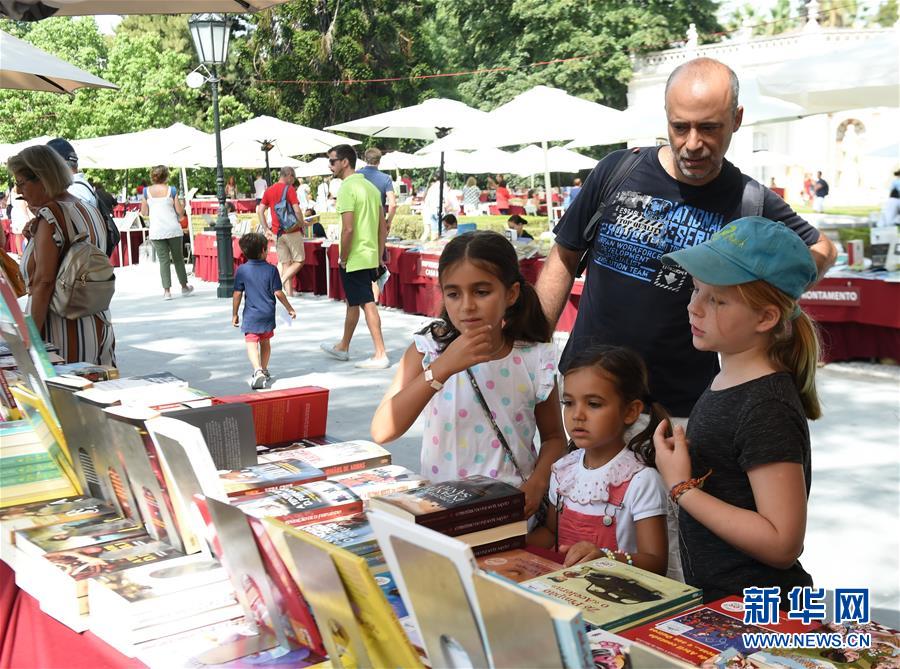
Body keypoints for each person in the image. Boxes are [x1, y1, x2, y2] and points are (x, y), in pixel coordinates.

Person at [535, 57, 836, 420]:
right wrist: (532, 349)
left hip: (679, 410)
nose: (693, 143)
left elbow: (822, 249)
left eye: (709, 128)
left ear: (736, 119)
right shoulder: (618, 170)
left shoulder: (749, 201)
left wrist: (764, 293)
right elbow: (564, 257)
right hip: (588, 396)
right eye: (680, 127)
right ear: (667, 117)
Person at [654, 216, 820, 605]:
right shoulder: (728, 378)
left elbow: (782, 543)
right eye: (696, 289)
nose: (694, 308)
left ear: (766, 317)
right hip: (724, 605)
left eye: (717, 300)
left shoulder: (766, 406)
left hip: (763, 613)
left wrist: (682, 488)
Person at [370, 231, 567, 519]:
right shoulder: (428, 350)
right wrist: (442, 368)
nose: (467, 306)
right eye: (454, 294)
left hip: (509, 515)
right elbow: (383, 430)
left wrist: (537, 485)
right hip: (441, 512)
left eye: (481, 292)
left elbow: (554, 438)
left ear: (511, 294)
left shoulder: (534, 358)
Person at [527, 346, 670, 575]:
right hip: (565, 589)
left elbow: (656, 563)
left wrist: (605, 558)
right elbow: (551, 533)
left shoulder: (641, 480)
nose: (577, 415)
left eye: (593, 404)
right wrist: (500, 545)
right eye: (569, 403)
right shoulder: (563, 471)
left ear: (630, 411)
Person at [7, 146, 115, 365]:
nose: (18, 191)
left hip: (62, 330)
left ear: (42, 178)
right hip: (95, 322)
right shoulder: (88, 208)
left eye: (21, 182)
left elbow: (44, 282)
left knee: (64, 386)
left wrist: (29, 340)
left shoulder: (51, 215)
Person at [319, 144, 389, 370]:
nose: (330, 165)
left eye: (332, 161)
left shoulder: (347, 188)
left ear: (344, 162)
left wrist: (343, 257)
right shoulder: (370, 187)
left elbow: (348, 229)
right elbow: (382, 228)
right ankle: (343, 346)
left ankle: (380, 353)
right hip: (369, 254)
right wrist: (379, 255)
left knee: (367, 302)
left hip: (355, 256)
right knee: (354, 301)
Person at [232, 232, 296, 389]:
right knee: (265, 342)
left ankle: (257, 370)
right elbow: (278, 292)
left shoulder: (242, 270)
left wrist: (234, 314)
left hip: (251, 314)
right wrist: (289, 308)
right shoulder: (271, 270)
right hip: (267, 314)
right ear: (263, 250)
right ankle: (265, 369)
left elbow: (237, 294)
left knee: (251, 342)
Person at [46, 138, 113, 256]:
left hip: (84, 262)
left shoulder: (72, 191)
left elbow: (76, 239)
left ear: (56, 165)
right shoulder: (81, 187)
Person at [140, 165, 193, 300]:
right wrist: (183, 206)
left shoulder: (146, 192)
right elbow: (180, 212)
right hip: (173, 229)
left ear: (153, 176)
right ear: (166, 176)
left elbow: (144, 212)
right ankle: (184, 287)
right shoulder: (172, 190)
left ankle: (167, 291)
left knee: (163, 261)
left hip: (157, 230)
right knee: (178, 259)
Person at [256, 166, 305, 298]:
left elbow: (260, 210)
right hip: (292, 230)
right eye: (293, 177)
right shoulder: (289, 189)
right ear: (288, 175)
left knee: (285, 263)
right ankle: (280, 281)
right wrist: (302, 223)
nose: (293, 180)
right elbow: (297, 210)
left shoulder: (269, 190)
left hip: (277, 232)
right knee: (299, 261)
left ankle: (289, 295)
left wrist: (266, 229)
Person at [357, 148, 397, 233]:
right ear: (379, 161)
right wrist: (388, 222)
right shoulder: (386, 178)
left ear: (365, 159)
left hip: (359, 220)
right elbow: (393, 204)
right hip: (378, 220)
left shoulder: (356, 175)